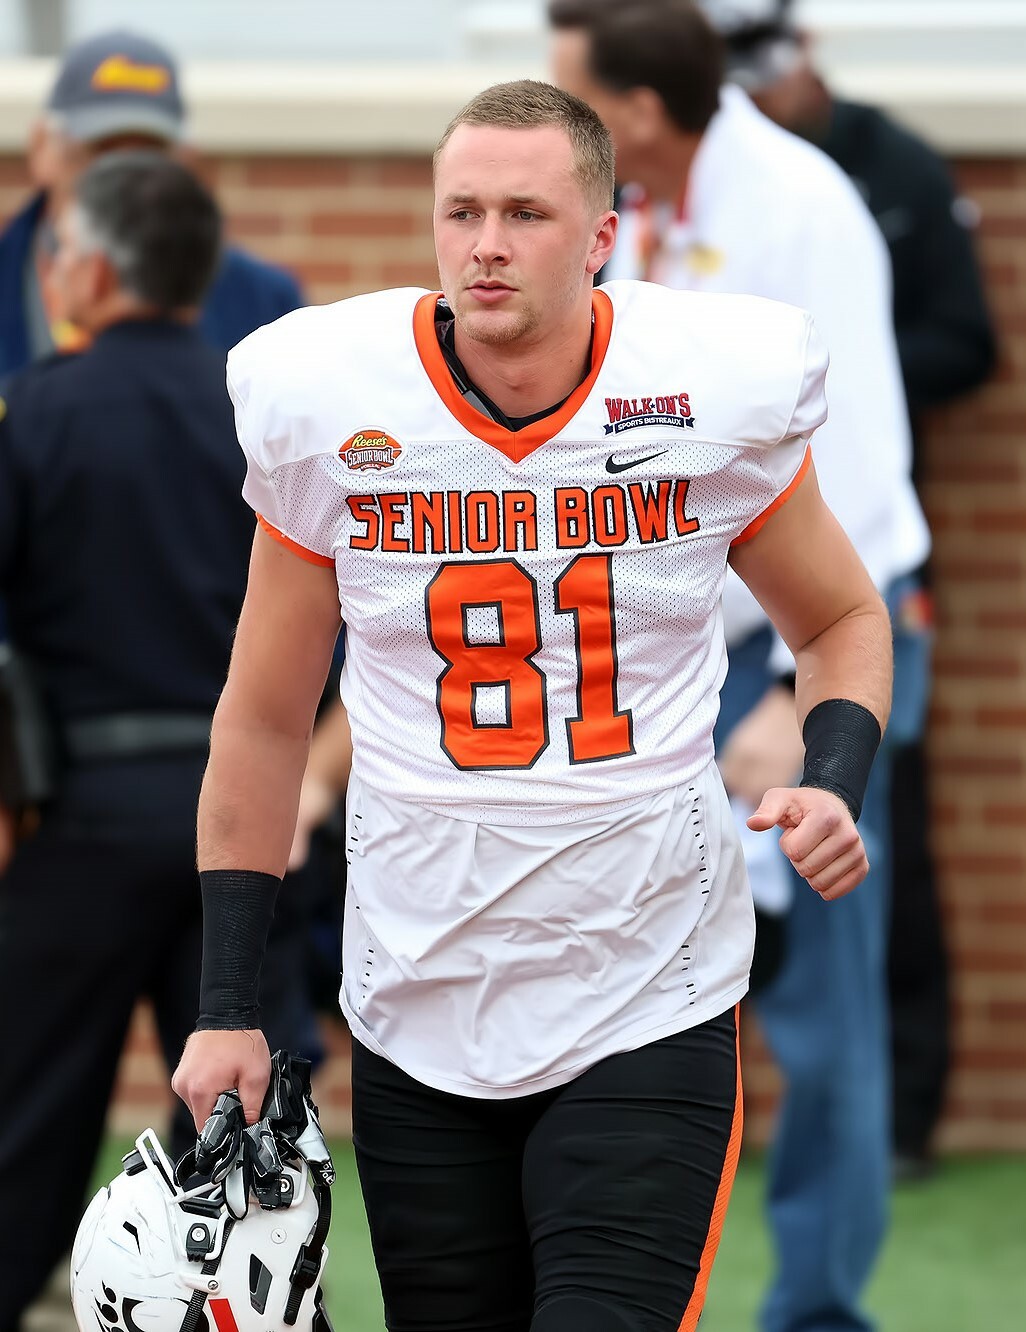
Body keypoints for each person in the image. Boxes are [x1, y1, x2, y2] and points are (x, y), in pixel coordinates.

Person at [171, 79, 892, 1332]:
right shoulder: (337, 404)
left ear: (606, 234)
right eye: (461, 211)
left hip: (645, 984)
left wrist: (834, 770)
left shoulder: (704, 391)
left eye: (526, 212)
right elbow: (265, 715)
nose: (486, 244)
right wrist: (228, 1003)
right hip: (420, 989)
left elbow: (840, 618)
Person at [547, 4, 928, 1330]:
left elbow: (866, 470)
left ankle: (817, 1312)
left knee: (821, 1025)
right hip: (659, 670)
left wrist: (793, 697)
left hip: (805, 650)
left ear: (640, 110)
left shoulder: (798, 212)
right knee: (627, 1005)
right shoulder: (625, 216)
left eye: (574, 97)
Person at [0, 152, 321, 1332]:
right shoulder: (266, 421)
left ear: (88, 266)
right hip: (248, 834)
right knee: (249, 1171)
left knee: (21, 1131)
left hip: (78, 822)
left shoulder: (31, 410)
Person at [706, 0, 998, 1178]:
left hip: (861, 559)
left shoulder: (880, 173)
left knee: (877, 852)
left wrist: (823, 371)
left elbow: (964, 343)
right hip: (756, 579)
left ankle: (907, 1122)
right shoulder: (703, 198)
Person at [0, 27, 302, 382]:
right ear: (41, 151)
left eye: (148, 158)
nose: (123, 183)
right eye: (103, 154)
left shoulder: (262, 303)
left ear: (186, 163)